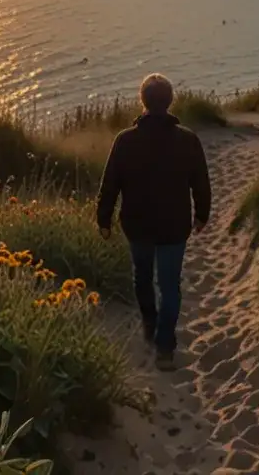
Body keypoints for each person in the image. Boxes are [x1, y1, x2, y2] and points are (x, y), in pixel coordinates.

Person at [97, 73, 211, 371]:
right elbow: (201, 182)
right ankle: (164, 347)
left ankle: (150, 325)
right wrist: (202, 214)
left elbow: (110, 184)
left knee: (143, 278)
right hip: (174, 225)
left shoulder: (125, 140)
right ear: (170, 101)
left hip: (138, 225)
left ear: (143, 101)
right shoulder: (187, 139)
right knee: (170, 285)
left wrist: (103, 219)